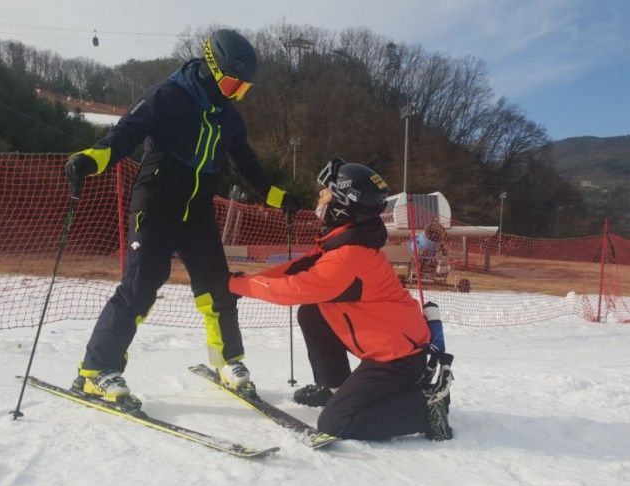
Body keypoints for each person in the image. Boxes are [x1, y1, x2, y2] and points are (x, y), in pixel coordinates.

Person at [64, 29, 300, 408]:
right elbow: (125, 134)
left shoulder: (230, 119)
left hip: (198, 211)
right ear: (211, 68)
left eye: (242, 89)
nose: (234, 93)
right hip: (155, 203)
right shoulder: (166, 97)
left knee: (218, 286)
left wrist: (277, 197)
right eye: (231, 83)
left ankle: (228, 362)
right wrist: (92, 159)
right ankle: (95, 373)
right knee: (141, 285)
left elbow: (246, 163)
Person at [229, 159, 453, 441]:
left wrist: (235, 285)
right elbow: (296, 268)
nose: (319, 197)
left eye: (326, 192)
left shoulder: (348, 258)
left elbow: (291, 289)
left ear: (342, 204)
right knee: (312, 313)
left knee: (337, 423)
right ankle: (334, 387)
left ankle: (427, 409)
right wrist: (237, 281)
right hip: (385, 346)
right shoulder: (342, 245)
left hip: (398, 360)